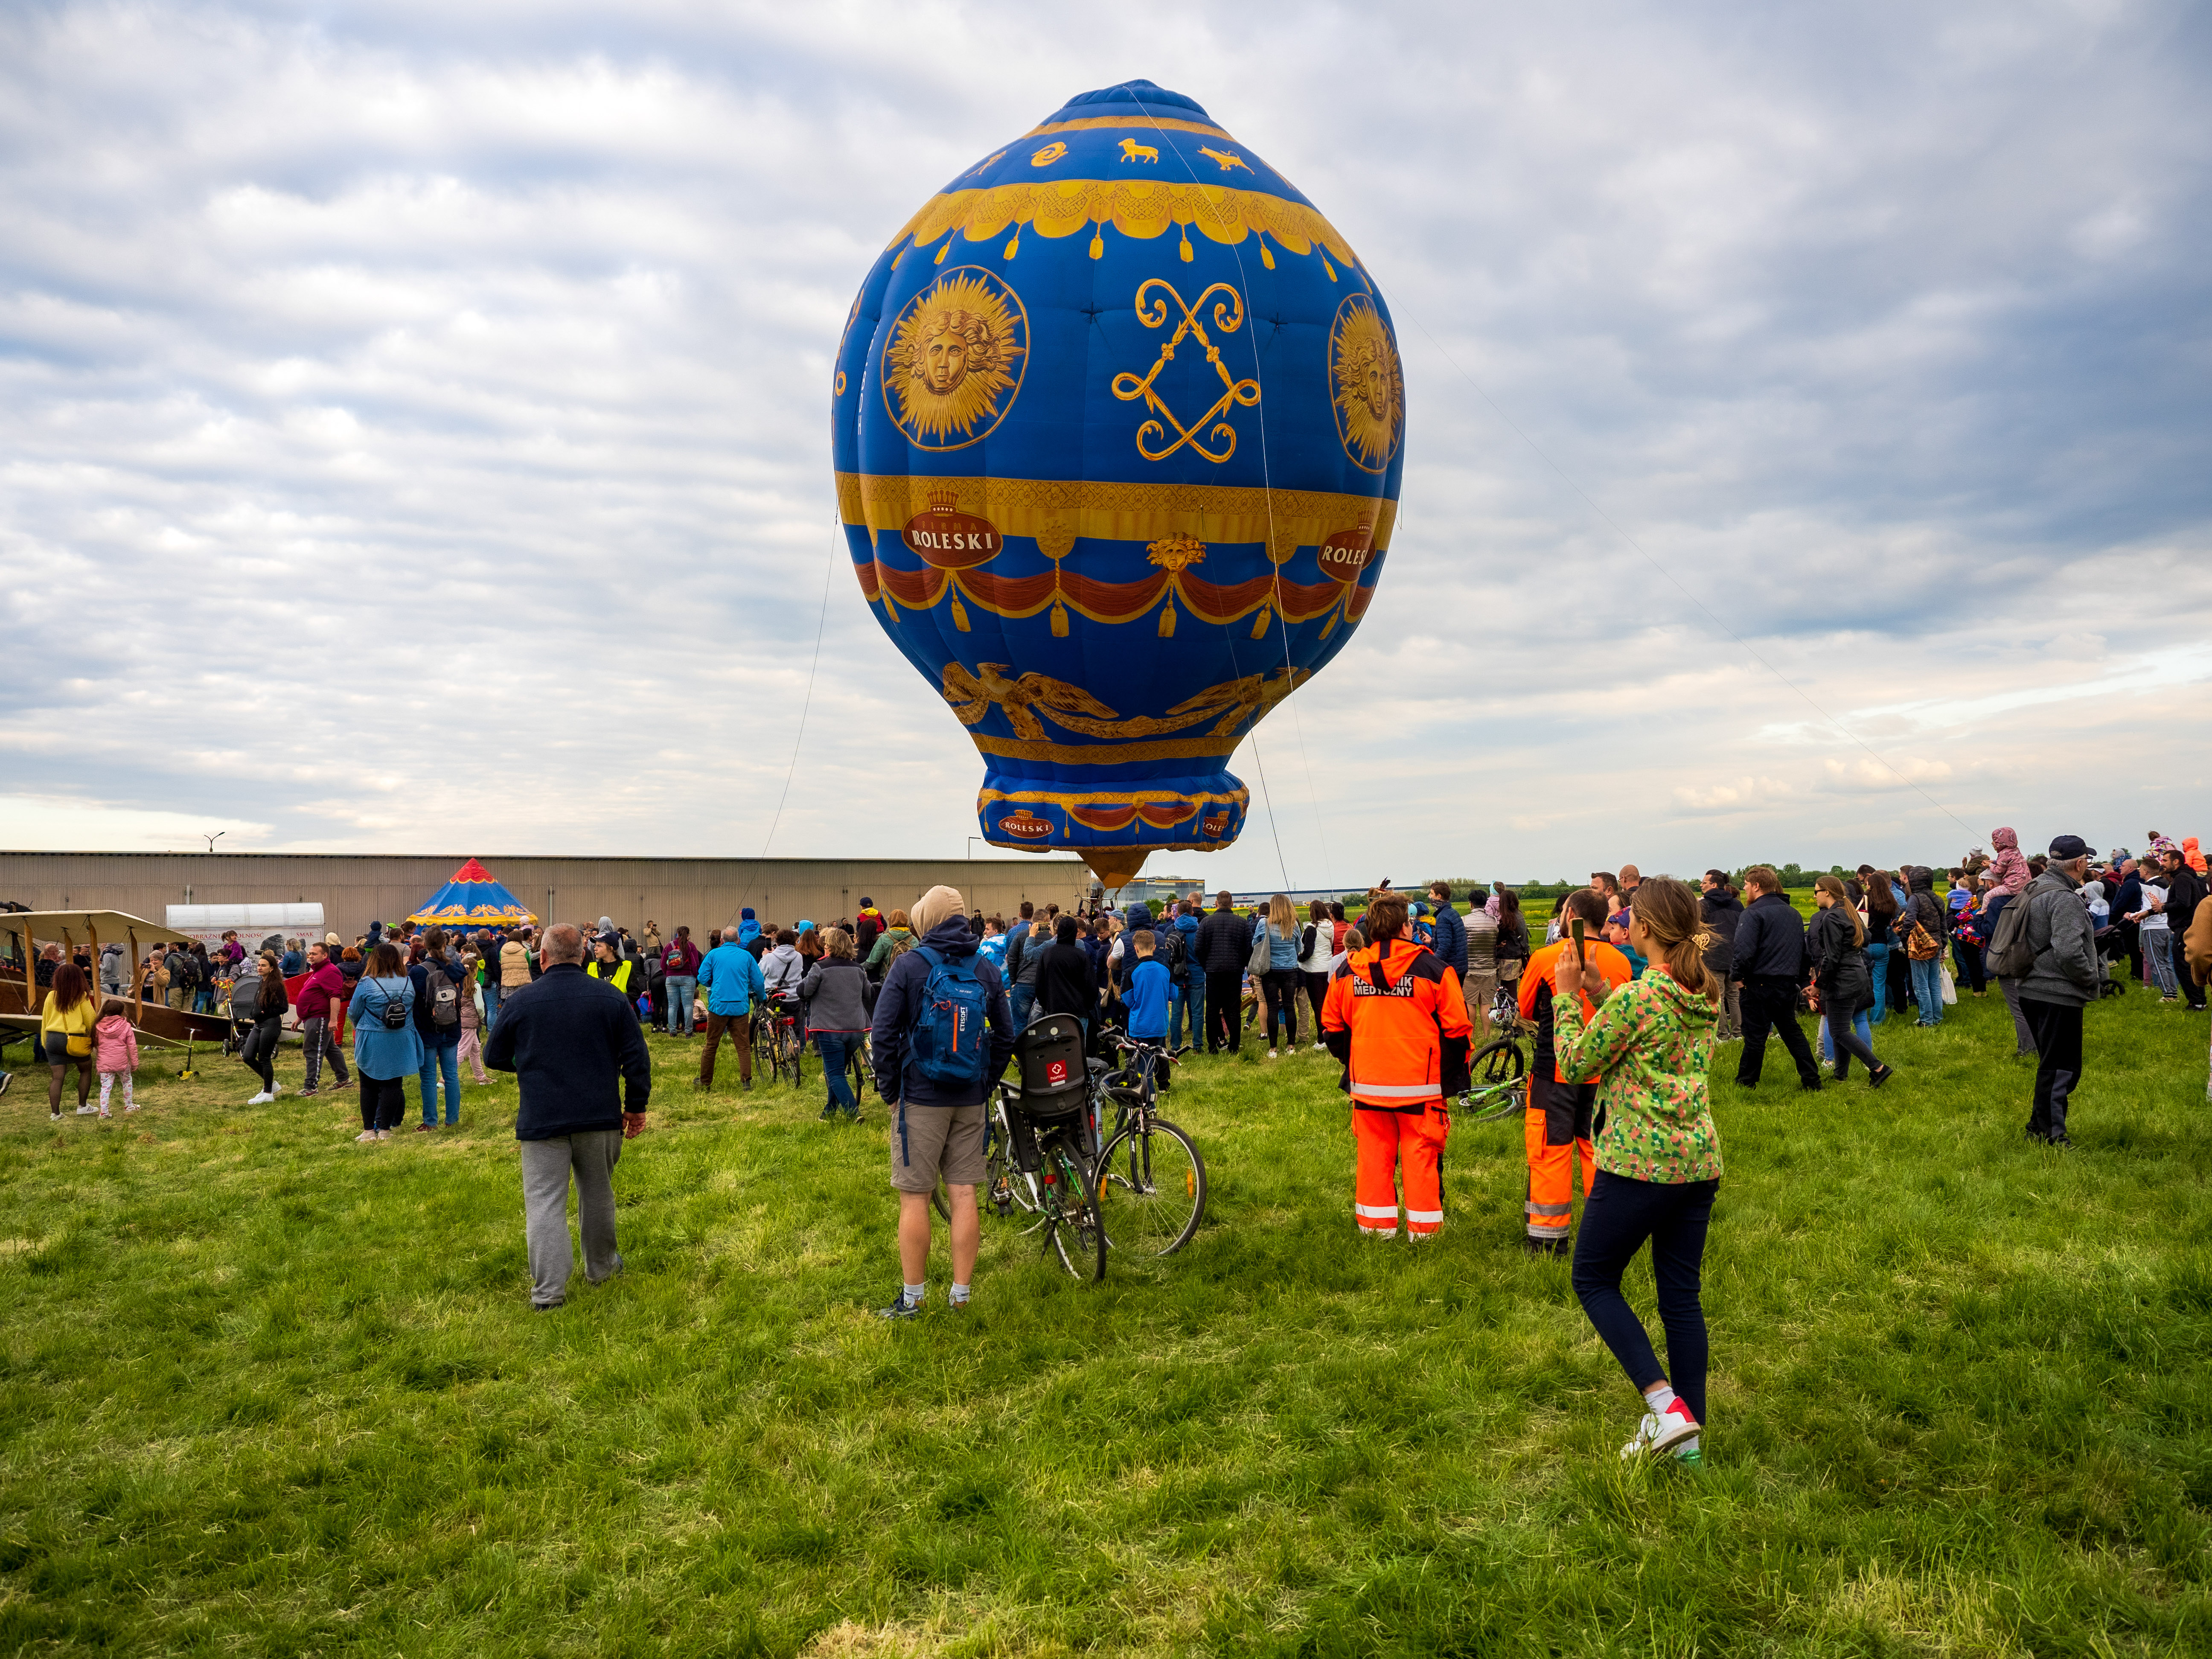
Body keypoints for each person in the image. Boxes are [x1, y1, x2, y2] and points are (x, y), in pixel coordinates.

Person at [1548, 876, 1722, 1465]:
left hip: (1640, 1164)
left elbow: (1575, 1063)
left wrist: (1569, 996)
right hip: (1697, 1161)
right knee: (1680, 1298)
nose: (1622, 925)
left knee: (1593, 1279)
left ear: (1644, 929)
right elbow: (1648, 1041)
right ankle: (1688, 1440)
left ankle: (1663, 1406)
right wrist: (1600, 992)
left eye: (1629, 920)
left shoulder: (1640, 998)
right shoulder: (1704, 991)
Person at [482, 923, 650, 1311]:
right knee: (598, 1194)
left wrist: (529, 1064)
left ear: (541, 957)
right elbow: (636, 1058)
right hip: (599, 1114)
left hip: (543, 1116)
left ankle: (548, 1294)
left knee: (544, 1202)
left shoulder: (522, 1001)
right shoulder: (610, 998)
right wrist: (636, 1105)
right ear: (584, 956)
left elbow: (493, 1056)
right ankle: (603, 1269)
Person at [868, 885, 1015, 1318]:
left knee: (915, 1198)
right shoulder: (986, 968)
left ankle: (913, 1299)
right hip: (970, 1096)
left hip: (921, 1098)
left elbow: (883, 1033)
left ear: (926, 921)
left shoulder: (910, 966)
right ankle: (961, 1296)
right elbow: (1006, 1035)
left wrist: (891, 1093)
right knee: (964, 1193)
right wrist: (985, 1083)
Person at [1319, 892, 1472, 1240]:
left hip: (1368, 1087)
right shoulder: (1435, 969)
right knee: (1421, 1161)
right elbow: (1458, 1032)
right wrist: (1445, 1077)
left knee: (1373, 1160)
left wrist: (1355, 1060)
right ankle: (1425, 1235)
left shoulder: (1347, 970)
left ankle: (1375, 1231)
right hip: (1422, 1088)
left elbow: (1331, 1028)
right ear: (1406, 926)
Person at [1517, 889, 1633, 1254]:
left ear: (1571, 917)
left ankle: (1548, 1241)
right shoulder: (1621, 961)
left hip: (1555, 1071)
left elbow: (1527, 1009)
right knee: (1598, 1150)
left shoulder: (1546, 957)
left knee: (1551, 1150)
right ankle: (1607, 1235)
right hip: (1605, 1074)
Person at [2018, 836, 2102, 1147]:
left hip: (2031, 987)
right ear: (2080, 864)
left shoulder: (2034, 887)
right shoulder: (2064, 898)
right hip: (2056, 991)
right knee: (2062, 1068)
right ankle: (2054, 1135)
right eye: (2087, 862)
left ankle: (2037, 1127)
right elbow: (2068, 952)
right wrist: (2090, 978)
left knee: (2051, 1064)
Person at [1732, 866, 1822, 1091]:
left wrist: (1737, 978)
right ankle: (1812, 1080)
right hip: (1785, 984)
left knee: (1755, 1036)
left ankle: (1746, 1082)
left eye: (1746, 884)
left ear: (1757, 886)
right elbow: (1803, 952)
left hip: (1758, 983)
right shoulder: (1793, 914)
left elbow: (1743, 951)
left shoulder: (1752, 913)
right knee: (1792, 1032)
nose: (1744, 888)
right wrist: (1802, 981)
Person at [1808, 876, 1893, 1086]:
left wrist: (1818, 985)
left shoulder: (1831, 918)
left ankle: (1878, 1068)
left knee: (1838, 1031)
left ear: (1827, 892)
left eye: (1817, 891)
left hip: (1842, 980)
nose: (1815, 895)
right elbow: (1866, 938)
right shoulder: (1848, 912)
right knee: (1841, 1028)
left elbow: (1831, 957)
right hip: (1857, 975)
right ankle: (1840, 1075)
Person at [348, 943, 422, 1142]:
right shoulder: (407, 981)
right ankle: (385, 1130)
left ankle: (368, 1131)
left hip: (373, 1036)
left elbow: (354, 1011)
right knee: (394, 1083)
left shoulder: (367, 982)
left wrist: (361, 1026)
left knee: (369, 1085)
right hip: (401, 1036)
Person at [800, 927, 873, 1121]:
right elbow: (868, 994)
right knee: (838, 1070)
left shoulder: (820, 967)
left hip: (829, 1028)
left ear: (829, 946)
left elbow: (806, 991)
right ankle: (829, 1111)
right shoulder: (858, 969)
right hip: (856, 1029)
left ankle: (853, 1113)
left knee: (834, 1074)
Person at [695, 922, 765, 1091]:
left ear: (721, 940)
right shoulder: (746, 956)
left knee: (711, 1045)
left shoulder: (713, 955)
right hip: (740, 1007)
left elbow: (702, 978)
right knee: (743, 1046)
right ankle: (746, 1081)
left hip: (718, 1006)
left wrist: (715, 982)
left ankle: (705, 1082)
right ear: (739, 940)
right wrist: (762, 998)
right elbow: (758, 981)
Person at [412, 928, 468, 1129]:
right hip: (452, 1025)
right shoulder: (456, 968)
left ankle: (430, 1121)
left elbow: (414, 1002)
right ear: (446, 944)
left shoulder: (419, 971)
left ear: (425, 945)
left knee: (428, 1078)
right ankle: (452, 1120)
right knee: (451, 1075)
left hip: (427, 1028)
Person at [40, 962, 101, 1120]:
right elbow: (91, 1021)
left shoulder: (51, 996)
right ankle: (82, 1106)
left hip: (53, 1038)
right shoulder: (82, 996)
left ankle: (55, 1113)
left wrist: (46, 1043)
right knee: (86, 1069)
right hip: (75, 1038)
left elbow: (45, 1021)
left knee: (57, 1078)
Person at [1196, 890, 1252, 1055]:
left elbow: (1198, 948)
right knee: (1233, 1009)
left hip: (1213, 971)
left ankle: (1213, 1046)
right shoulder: (1242, 923)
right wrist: (1242, 964)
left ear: (1216, 904)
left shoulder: (1206, 923)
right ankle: (1234, 1045)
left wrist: (1205, 965)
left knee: (1212, 1009)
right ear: (1233, 904)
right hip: (1234, 971)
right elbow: (1249, 949)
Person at [1122, 928, 1172, 1092]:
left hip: (1140, 1026)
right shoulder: (1165, 969)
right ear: (1155, 947)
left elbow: (1128, 1001)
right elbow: (1174, 995)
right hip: (1160, 1024)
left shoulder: (1131, 972)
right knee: (1161, 1054)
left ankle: (1147, 1092)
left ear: (1135, 948)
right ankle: (1164, 1084)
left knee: (1143, 1062)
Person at [2161, 844, 2208, 1012]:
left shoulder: (2182, 878)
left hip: (2186, 927)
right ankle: (2197, 1000)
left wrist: (2164, 907)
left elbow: (2183, 903)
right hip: (2186, 926)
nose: (2163, 863)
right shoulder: (2184, 877)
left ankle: (2197, 1002)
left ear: (2176, 861)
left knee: (2183, 965)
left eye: (2165, 860)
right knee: (2184, 965)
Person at [239, 950, 290, 1104]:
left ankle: (268, 1093)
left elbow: (283, 1008)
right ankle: (271, 1084)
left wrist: (263, 1012)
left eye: (264, 966)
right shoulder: (262, 982)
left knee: (264, 1058)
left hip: (271, 1024)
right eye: (259, 965)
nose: (260, 968)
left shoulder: (276, 985)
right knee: (247, 1056)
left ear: (272, 968)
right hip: (258, 1025)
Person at [1031, 914, 1099, 1027]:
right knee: (1078, 1044)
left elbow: (1039, 986)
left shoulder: (1047, 954)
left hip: (1054, 1012)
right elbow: (1092, 986)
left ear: (1058, 931)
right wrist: (1087, 1006)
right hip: (1079, 1012)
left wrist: (1047, 1006)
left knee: (1056, 1044)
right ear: (1075, 933)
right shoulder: (1081, 956)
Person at [1698, 871, 1743, 1040]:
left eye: (1704, 883)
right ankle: (1739, 1033)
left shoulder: (1703, 906)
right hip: (1734, 955)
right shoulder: (1738, 906)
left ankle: (1723, 1035)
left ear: (1714, 885)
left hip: (1712, 956)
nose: (1701, 885)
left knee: (1718, 997)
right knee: (1734, 995)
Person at [1257, 893, 1302, 1058]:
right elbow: (1299, 947)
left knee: (1273, 1007)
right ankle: (1291, 1046)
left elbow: (1256, 942)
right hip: (1290, 969)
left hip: (1270, 970)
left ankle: (1273, 1049)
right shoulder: (1294, 926)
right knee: (1290, 1006)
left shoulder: (1264, 924)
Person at [1298, 899, 1335, 1051]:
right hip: (1328, 969)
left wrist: (1299, 957)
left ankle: (1322, 1039)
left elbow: (1308, 952)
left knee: (1318, 1007)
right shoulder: (1330, 926)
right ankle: (1330, 1034)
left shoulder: (1312, 928)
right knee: (1328, 1005)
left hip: (1314, 971)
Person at [93, 1005, 139, 1117]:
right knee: (127, 1081)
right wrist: (134, 1063)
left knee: (105, 1087)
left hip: (105, 1062)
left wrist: (98, 1061)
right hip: (122, 1062)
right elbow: (132, 1046)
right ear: (121, 1012)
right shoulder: (126, 1026)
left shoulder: (98, 1026)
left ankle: (104, 1112)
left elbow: (95, 1046)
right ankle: (129, 1105)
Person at [1004, 905, 1045, 1029]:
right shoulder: (1052, 938)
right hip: (1043, 986)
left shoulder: (1017, 934)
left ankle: (1020, 1048)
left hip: (1023, 985)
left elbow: (1010, 959)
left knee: (1020, 1025)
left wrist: (1013, 982)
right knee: (1042, 1025)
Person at [658, 925, 701, 1038]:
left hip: (671, 978)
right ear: (688, 935)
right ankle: (688, 1032)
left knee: (673, 1006)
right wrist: (696, 976)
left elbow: (663, 963)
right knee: (688, 1006)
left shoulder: (670, 946)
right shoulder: (691, 946)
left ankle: (672, 1031)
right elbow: (695, 963)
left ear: (677, 934)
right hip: (687, 977)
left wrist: (668, 974)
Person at [456, 951, 492, 1084]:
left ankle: (481, 1077)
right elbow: (480, 1007)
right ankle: (445, 1079)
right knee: (463, 1051)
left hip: (462, 1019)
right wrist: (481, 1018)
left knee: (475, 1049)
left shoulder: (460, 983)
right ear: (475, 970)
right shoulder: (475, 985)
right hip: (470, 1022)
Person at [863, 909, 913, 981]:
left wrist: (856, 967)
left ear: (891, 921)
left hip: (889, 981)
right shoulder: (914, 940)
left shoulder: (884, 939)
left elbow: (871, 962)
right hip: (909, 981)